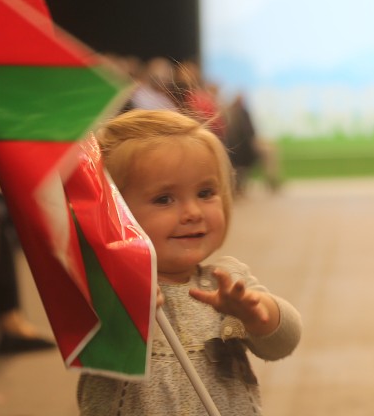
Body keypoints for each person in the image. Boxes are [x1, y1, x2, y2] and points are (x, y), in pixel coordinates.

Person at [78, 109, 302, 416]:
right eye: (164, 199)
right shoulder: (101, 286)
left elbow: (284, 343)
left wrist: (257, 314)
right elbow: (93, 345)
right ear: (112, 212)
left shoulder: (226, 281)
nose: (193, 212)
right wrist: (124, 308)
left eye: (205, 193)